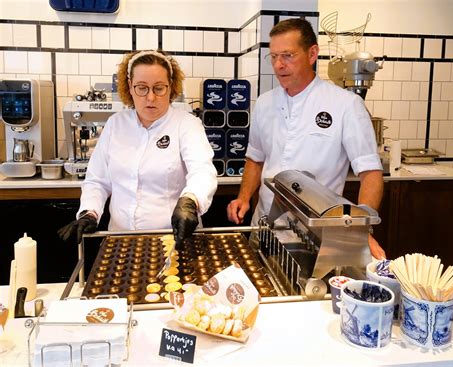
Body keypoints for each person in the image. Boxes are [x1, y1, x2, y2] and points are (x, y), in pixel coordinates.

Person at [226, 19, 386, 259]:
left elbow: (370, 172)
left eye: (288, 55)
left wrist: (362, 227)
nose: (279, 65)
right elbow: (255, 157)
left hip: (317, 235)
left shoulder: (346, 105)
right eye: (274, 56)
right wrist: (244, 197)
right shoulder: (265, 103)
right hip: (263, 225)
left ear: (312, 54)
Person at [58, 49, 218, 250]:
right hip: (120, 241)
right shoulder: (115, 124)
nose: (150, 97)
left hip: (173, 239)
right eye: (142, 88)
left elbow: (202, 172)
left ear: (171, 88)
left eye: (159, 88)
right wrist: (89, 212)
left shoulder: (187, 124)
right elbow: (97, 180)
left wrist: (190, 201)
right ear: (130, 88)